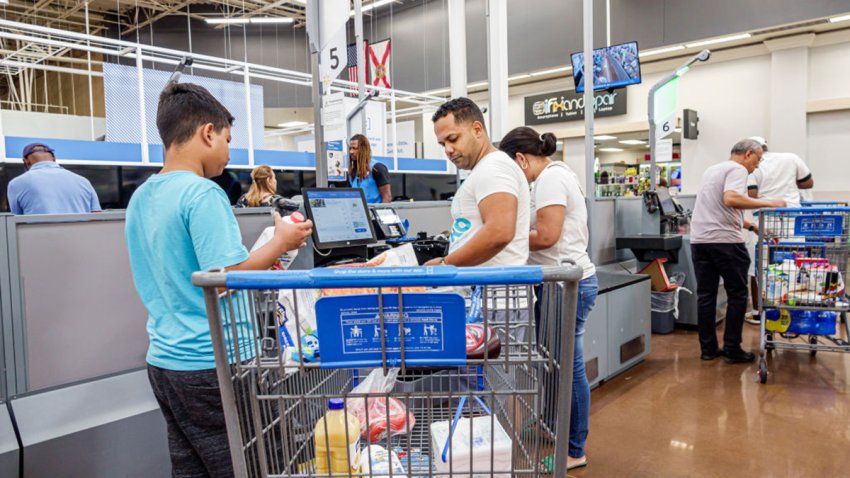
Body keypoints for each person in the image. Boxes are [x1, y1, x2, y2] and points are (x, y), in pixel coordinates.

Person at [124, 82, 313, 477]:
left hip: (165, 363)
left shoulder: (142, 197)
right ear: (207, 133)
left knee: (193, 468)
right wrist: (280, 242)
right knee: (258, 464)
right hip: (216, 363)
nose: (229, 152)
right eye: (227, 140)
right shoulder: (203, 194)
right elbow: (225, 281)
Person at [499, 126, 596, 472]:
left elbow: (548, 235)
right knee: (554, 365)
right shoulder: (550, 177)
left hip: (567, 286)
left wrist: (504, 239)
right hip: (556, 285)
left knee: (568, 368)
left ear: (521, 160)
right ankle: (552, 424)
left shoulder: (551, 180)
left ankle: (574, 448)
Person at [690, 139, 785, 364]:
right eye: (758, 159)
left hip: (700, 241)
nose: (758, 165)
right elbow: (730, 199)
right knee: (738, 294)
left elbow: (718, 209)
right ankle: (732, 348)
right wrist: (770, 203)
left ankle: (708, 350)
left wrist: (751, 226)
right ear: (748, 154)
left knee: (706, 296)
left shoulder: (712, 170)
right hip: (725, 243)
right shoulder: (738, 169)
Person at [425, 97, 529, 267]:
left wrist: (445, 264)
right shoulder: (484, 169)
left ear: (477, 129)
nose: (448, 150)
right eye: (442, 144)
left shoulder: (494, 167)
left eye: (453, 139)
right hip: (485, 289)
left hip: (497, 290)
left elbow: (499, 231)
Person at [743, 136, 814, 323]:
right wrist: (788, 185)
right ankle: (791, 309)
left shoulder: (754, 166)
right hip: (793, 220)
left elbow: (752, 195)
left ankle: (759, 312)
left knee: (759, 266)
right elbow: (808, 183)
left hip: (766, 220)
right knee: (793, 264)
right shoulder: (791, 158)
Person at [7, 142, 101, 214]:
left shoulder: (16, 184)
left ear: (26, 162)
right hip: (82, 238)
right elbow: (97, 217)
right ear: (54, 158)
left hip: (39, 239)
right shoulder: (84, 181)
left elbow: (15, 223)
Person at [347, 133, 392, 203]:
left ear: (363, 149)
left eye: (355, 148)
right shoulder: (353, 171)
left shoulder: (377, 168)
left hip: (374, 212)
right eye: (350, 148)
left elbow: (387, 198)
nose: (351, 152)